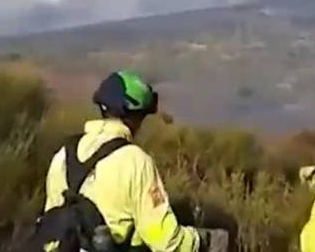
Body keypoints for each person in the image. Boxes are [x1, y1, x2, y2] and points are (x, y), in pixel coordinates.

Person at [39, 70, 228, 252]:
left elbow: (51, 222)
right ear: (136, 117)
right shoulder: (135, 162)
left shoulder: (63, 155)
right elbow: (165, 241)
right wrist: (202, 240)